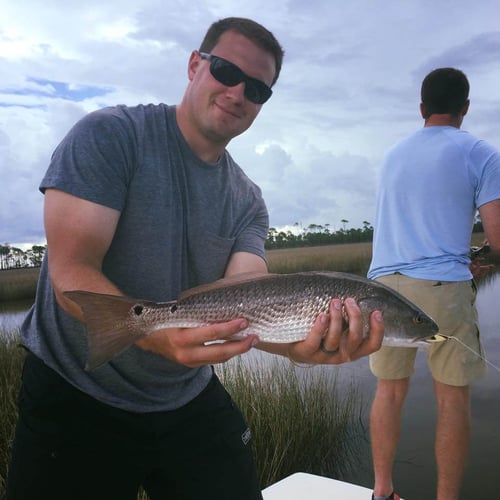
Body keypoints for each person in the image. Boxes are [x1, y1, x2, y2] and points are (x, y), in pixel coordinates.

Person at [6, 17, 384, 500]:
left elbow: (245, 295)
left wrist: (298, 346)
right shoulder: (110, 136)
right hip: (74, 387)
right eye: (226, 71)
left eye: (258, 90)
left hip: (183, 389)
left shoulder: (248, 200)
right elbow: (70, 270)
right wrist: (152, 334)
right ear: (193, 65)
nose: (237, 93)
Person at [367, 67, 500, 500]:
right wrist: (483, 258)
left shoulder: (392, 155)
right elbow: (498, 239)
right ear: (465, 108)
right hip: (442, 290)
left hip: (381, 288)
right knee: (452, 400)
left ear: (421, 109)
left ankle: (382, 492)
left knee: (388, 391)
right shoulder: (480, 151)